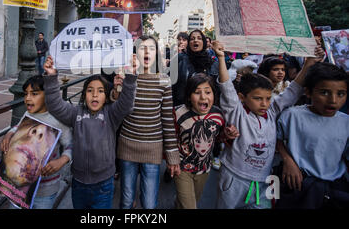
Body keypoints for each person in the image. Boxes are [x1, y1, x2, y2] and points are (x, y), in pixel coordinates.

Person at [212, 40, 324, 209]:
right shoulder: (237, 112)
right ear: (242, 97)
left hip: (265, 180)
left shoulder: (272, 111)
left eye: (268, 98)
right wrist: (221, 58)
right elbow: (227, 88)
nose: (264, 104)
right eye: (257, 99)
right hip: (234, 178)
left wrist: (308, 63)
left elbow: (293, 90)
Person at [43, 55, 138, 209]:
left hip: (104, 185)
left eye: (100, 91)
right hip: (78, 184)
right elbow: (55, 105)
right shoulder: (75, 113)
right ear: (84, 95)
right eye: (90, 90)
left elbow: (126, 104)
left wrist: (131, 77)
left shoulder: (111, 114)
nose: (94, 94)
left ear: (106, 96)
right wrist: (51, 76)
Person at [114, 35, 180, 209]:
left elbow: (167, 121)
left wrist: (173, 156)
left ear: (156, 53)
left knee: (149, 204)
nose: (146, 51)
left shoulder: (164, 81)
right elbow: (117, 111)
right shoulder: (127, 77)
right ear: (135, 52)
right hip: (127, 147)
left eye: (151, 48)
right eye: (142, 47)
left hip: (153, 149)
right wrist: (116, 90)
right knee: (126, 201)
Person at [275, 62, 349, 209]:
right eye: (324, 92)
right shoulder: (292, 115)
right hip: (297, 184)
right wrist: (287, 159)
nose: (333, 100)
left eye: (340, 94)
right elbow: (275, 139)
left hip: (333, 188)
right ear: (308, 92)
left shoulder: (346, 122)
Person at [0, 75, 72, 209]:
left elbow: (70, 144)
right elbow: (19, 126)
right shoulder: (29, 114)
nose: (27, 98)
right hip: (18, 190)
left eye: (34, 94)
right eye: (26, 94)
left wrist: (62, 159)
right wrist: (9, 134)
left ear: (48, 96)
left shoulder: (58, 118)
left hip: (45, 191)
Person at [173, 73, 239, 209]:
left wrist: (227, 134)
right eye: (197, 93)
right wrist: (170, 160)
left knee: (192, 200)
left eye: (208, 92)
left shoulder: (218, 115)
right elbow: (169, 138)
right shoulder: (178, 113)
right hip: (181, 168)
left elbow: (218, 138)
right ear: (189, 97)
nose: (203, 97)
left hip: (204, 168)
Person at [172, 29, 213, 107]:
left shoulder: (210, 60)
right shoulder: (180, 58)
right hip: (182, 106)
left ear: (203, 42)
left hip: (203, 107)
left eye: (199, 38)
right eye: (192, 39)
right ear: (189, 43)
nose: (195, 40)